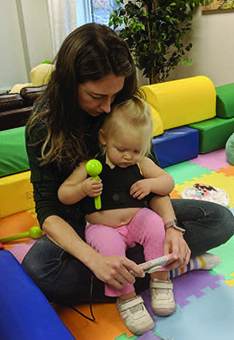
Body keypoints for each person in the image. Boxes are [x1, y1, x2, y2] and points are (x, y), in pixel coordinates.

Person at [22, 22, 234, 314]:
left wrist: (171, 228)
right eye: (97, 97)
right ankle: (163, 268)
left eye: (115, 95)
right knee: (39, 271)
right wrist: (93, 259)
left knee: (221, 220)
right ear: (71, 84)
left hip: (139, 215)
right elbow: (48, 210)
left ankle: (139, 268)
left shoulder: (125, 107)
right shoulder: (43, 124)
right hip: (83, 223)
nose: (109, 107)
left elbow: (151, 175)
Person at [58, 96, 178, 335]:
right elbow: (63, 194)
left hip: (136, 221)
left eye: (135, 150)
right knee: (108, 245)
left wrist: (151, 184)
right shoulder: (90, 165)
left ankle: (161, 280)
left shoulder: (141, 163)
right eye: (121, 149)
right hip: (102, 227)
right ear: (104, 138)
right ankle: (127, 298)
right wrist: (82, 189)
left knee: (156, 225)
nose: (128, 156)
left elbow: (168, 182)